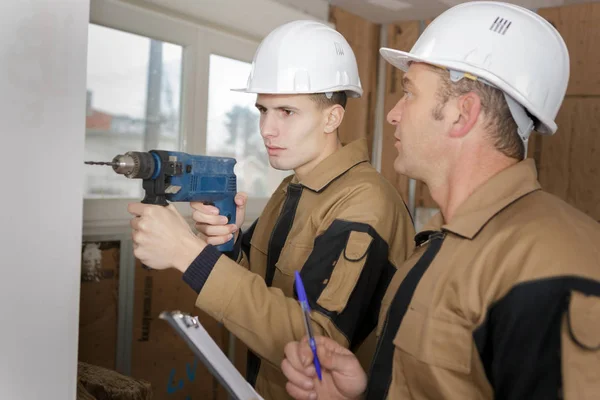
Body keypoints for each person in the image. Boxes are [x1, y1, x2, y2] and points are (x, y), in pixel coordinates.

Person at [280, 2, 600, 399]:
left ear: (462, 114)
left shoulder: (556, 263)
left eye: (409, 92)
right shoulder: (436, 243)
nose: (394, 114)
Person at [127, 20, 415, 400]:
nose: (266, 129)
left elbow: (317, 345)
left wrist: (188, 254)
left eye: (287, 112)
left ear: (332, 117)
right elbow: (266, 293)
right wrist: (228, 249)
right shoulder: (292, 187)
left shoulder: (364, 203)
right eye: (263, 110)